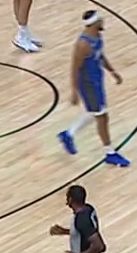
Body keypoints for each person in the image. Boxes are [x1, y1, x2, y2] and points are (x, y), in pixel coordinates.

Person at [56, 10, 131, 166]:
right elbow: (74, 69)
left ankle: (68, 134)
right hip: (88, 84)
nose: (103, 21)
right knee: (102, 117)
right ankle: (110, 153)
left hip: (97, 81)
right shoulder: (83, 45)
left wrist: (112, 71)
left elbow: (100, 56)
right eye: (100, 20)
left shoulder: (97, 36)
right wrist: (74, 91)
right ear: (93, 23)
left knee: (95, 113)